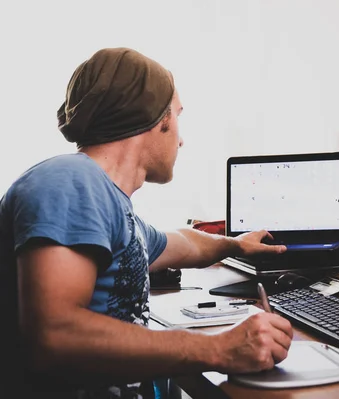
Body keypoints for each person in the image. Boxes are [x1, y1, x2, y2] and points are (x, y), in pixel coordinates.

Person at [0, 47, 293, 398]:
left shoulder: (108, 203)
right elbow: (54, 334)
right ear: (160, 119)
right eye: (179, 117)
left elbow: (184, 244)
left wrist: (236, 243)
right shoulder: (70, 181)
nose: (181, 140)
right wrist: (218, 349)